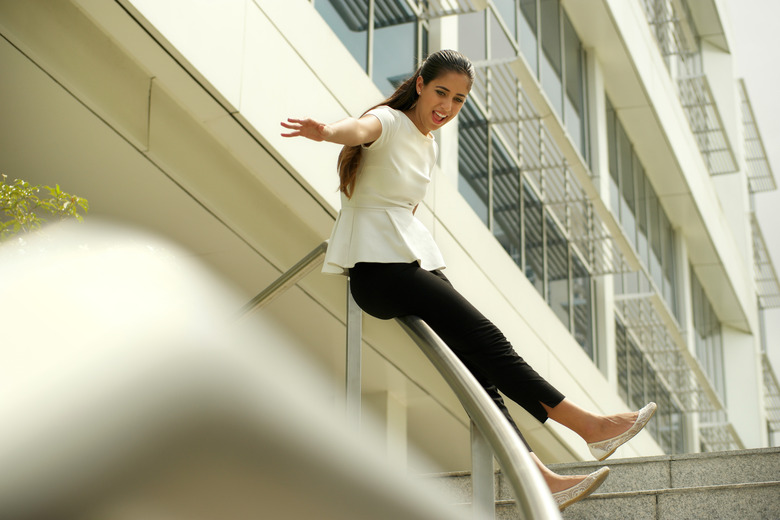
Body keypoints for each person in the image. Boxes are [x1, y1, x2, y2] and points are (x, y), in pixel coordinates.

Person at [281, 49, 656, 511]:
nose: (447, 106)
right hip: (377, 271)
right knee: (489, 339)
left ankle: (538, 477)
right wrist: (325, 132)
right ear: (420, 84)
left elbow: (407, 213)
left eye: (459, 100)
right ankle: (589, 427)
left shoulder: (429, 145)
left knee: (480, 368)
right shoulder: (388, 121)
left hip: (408, 262)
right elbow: (357, 130)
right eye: (441, 92)